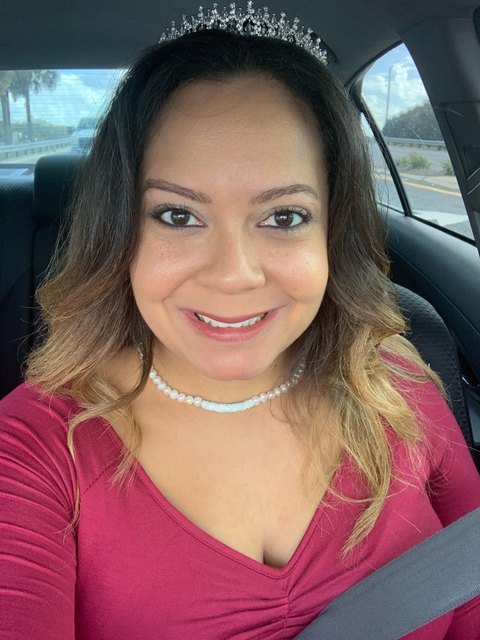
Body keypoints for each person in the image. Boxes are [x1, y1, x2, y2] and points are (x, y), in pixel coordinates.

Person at [1, 4, 479, 639]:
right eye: (178, 216)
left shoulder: (399, 383)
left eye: (284, 217)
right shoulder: (34, 447)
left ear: (332, 230)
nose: (234, 275)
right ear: (119, 232)